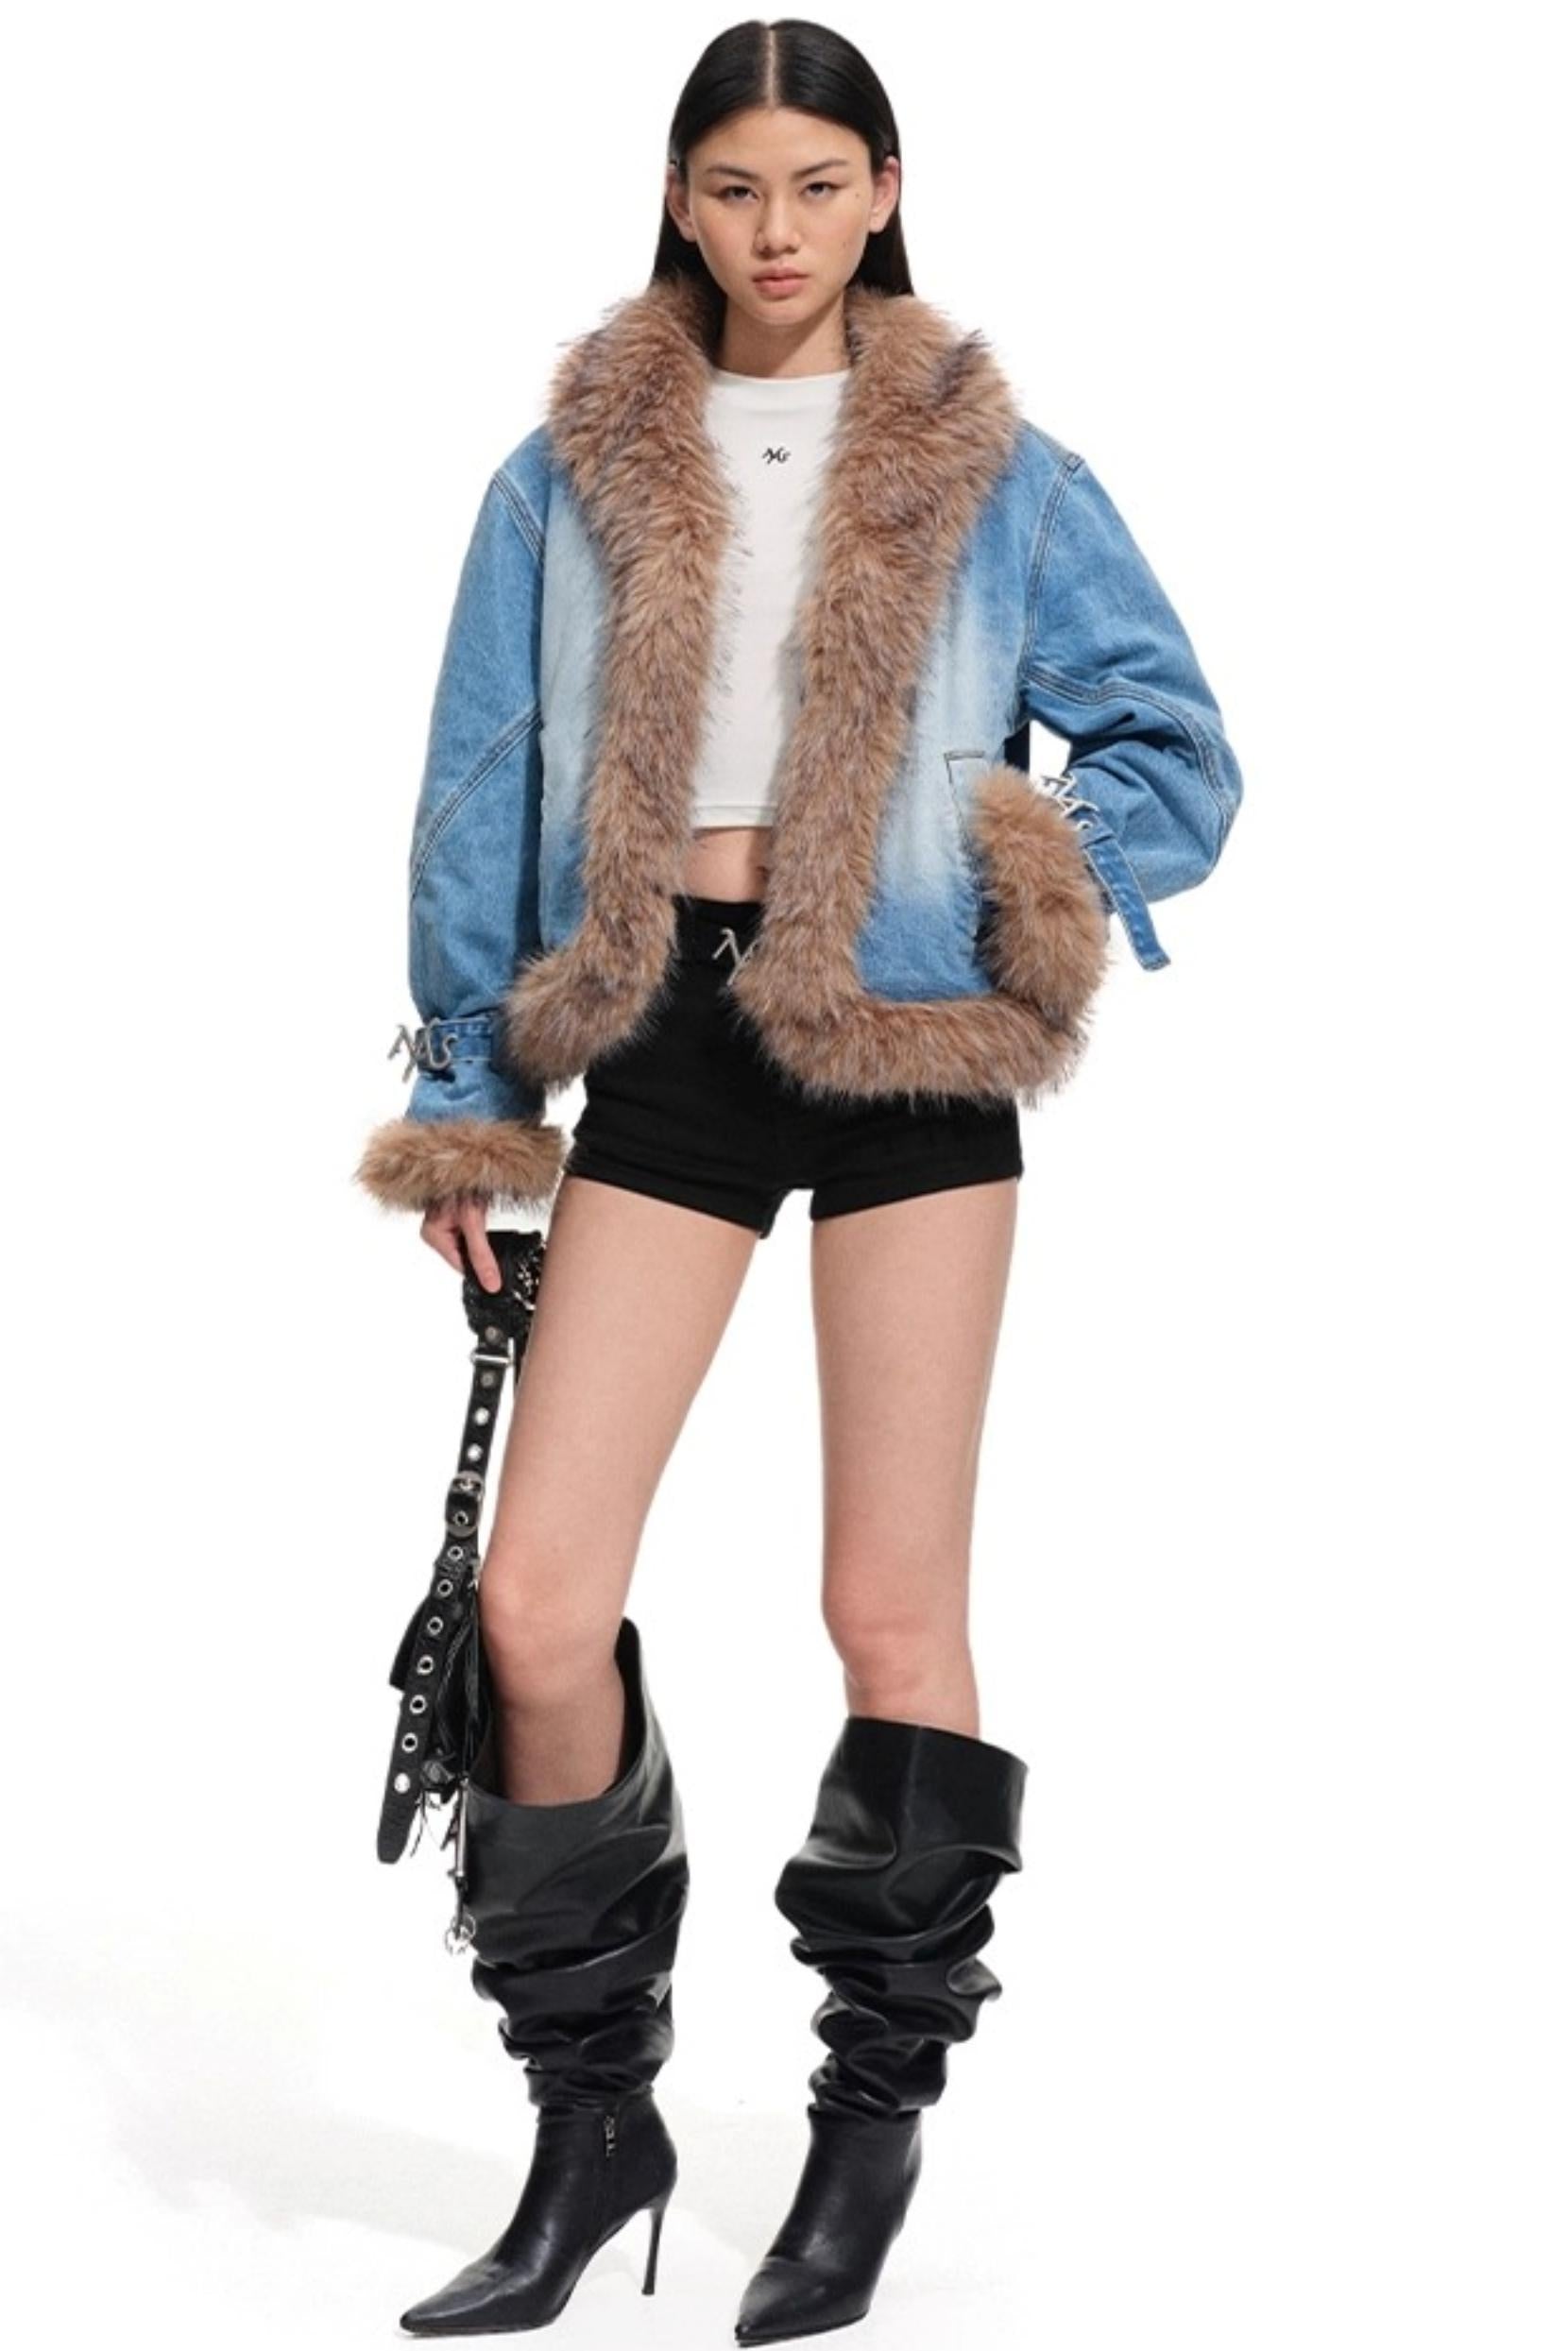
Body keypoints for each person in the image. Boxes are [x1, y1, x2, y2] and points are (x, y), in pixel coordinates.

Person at [354, 19, 1244, 2343]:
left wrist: (1020, 876)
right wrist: (475, 1095)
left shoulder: (996, 468)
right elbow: (479, 781)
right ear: (679, 196)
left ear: (882, 191)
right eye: (733, 185)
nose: (775, 228)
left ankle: (864, 2134)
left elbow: (1172, 744)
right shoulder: (564, 470)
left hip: (910, 1045)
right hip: (664, 1037)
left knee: (888, 1607)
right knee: (535, 1603)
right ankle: (593, 2123)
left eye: (816, 183)